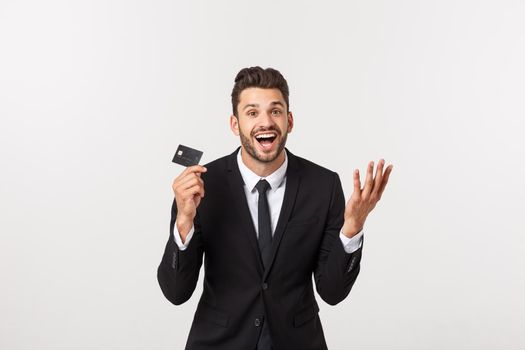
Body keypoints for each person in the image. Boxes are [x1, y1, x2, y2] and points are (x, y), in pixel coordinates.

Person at [157, 66, 393, 350]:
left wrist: (353, 226)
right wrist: (184, 221)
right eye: (253, 112)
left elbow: (332, 292)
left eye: (276, 111)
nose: (265, 122)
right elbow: (176, 292)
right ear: (235, 124)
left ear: (289, 121)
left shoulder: (323, 185)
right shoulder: (200, 187)